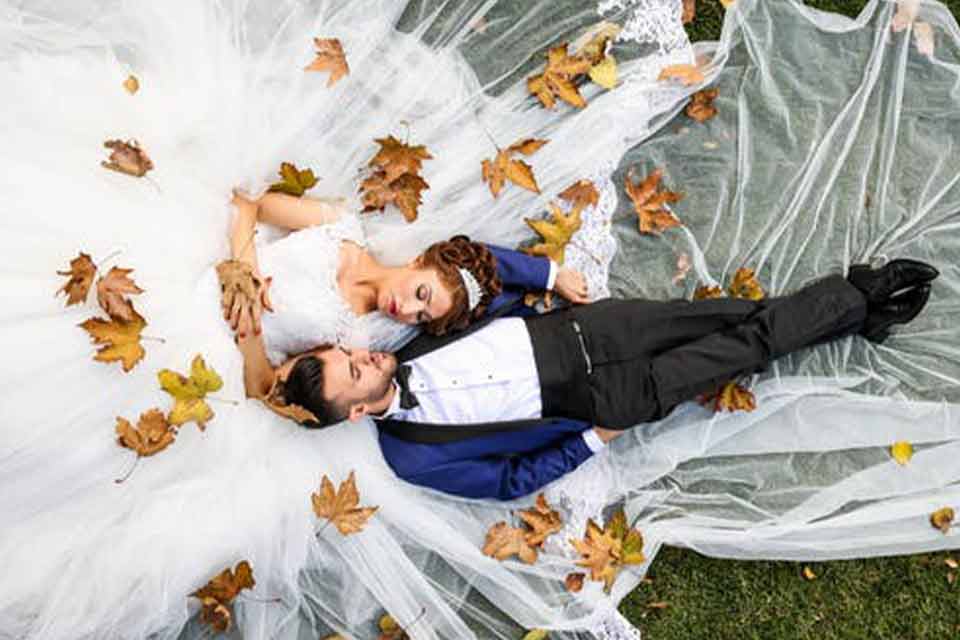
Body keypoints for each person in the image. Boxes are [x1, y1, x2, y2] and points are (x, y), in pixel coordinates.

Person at [248, 259, 938, 499]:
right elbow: (509, 482)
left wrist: (542, 281)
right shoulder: (411, 454)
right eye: (356, 376)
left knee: (731, 315)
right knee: (743, 348)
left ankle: (856, 315)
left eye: (350, 356)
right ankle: (863, 293)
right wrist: (594, 440)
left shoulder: (400, 331)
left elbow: (471, 271)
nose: (365, 359)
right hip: (602, 401)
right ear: (361, 412)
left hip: (591, 330)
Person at [224, 191, 590, 365]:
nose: (407, 310)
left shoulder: (356, 339)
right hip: (211, 268)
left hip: (224, 348)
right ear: (417, 261)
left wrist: (250, 334)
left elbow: (281, 375)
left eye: (420, 316)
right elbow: (249, 204)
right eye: (421, 293)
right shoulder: (340, 226)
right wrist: (245, 271)